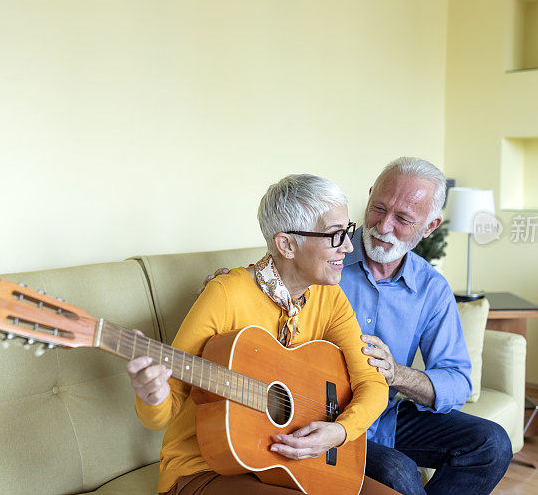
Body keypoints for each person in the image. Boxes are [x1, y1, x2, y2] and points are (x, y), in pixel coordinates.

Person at [204, 158, 513, 494]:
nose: (383, 226)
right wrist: (238, 290)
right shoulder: (324, 261)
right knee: (399, 473)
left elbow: (458, 382)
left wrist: (397, 374)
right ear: (369, 197)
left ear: (430, 226)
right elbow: (277, 273)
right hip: (312, 409)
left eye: (403, 219)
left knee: (492, 444)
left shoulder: (431, 288)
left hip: (386, 412)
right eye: (378, 208)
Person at [126, 174, 395, 494]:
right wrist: (152, 396)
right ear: (287, 244)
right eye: (335, 235)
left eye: (347, 231)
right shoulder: (225, 294)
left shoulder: (330, 298)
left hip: (291, 464)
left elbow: (372, 383)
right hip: (207, 467)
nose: (349, 247)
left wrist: (339, 432)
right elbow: (166, 408)